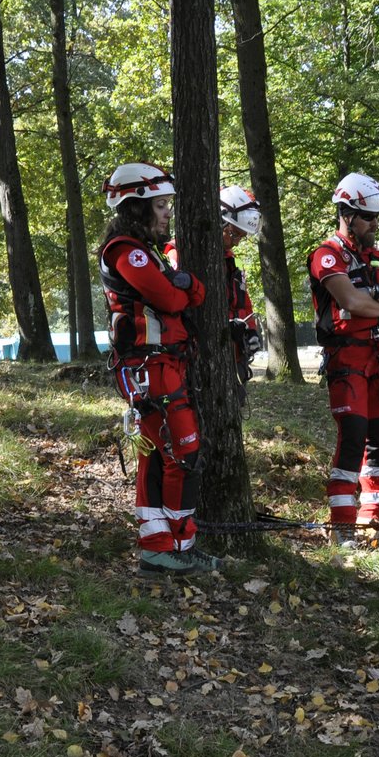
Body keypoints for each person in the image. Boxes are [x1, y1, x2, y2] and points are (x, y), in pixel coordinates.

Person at [99, 162, 221, 577]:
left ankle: (165, 545)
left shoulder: (146, 250)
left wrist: (187, 288)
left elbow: (190, 292)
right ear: (136, 206)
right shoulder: (126, 251)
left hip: (162, 365)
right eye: (161, 204)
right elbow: (170, 299)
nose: (168, 212)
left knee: (163, 455)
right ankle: (171, 546)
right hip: (147, 367)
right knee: (181, 451)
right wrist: (185, 288)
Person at [308, 173, 379, 549]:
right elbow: (350, 301)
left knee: (377, 443)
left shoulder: (378, 259)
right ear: (348, 215)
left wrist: (375, 294)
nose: (375, 224)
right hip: (347, 359)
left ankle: (374, 524)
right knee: (352, 438)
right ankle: (342, 528)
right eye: (368, 217)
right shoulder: (326, 255)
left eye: (377, 217)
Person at [166, 185, 263, 402]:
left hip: (232, 354)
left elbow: (242, 300)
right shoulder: (179, 255)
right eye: (235, 234)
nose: (237, 241)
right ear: (220, 222)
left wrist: (250, 330)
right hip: (196, 353)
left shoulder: (229, 261)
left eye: (242, 236)